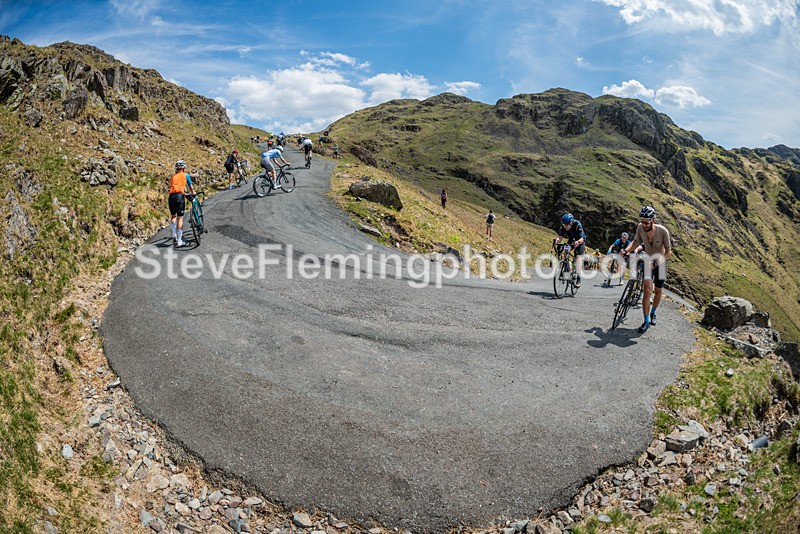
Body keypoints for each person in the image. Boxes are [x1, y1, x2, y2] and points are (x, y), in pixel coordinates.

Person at [623, 206, 672, 333]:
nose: (643, 225)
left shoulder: (663, 231)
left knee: (658, 291)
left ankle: (653, 313)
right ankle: (645, 321)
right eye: (642, 221)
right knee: (647, 290)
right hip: (648, 261)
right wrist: (626, 250)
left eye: (646, 222)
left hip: (660, 261)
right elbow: (635, 242)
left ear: (653, 220)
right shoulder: (640, 227)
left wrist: (658, 262)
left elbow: (668, 253)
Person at [168, 160, 196, 248]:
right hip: (179, 196)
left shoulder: (173, 177)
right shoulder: (185, 175)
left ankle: (173, 234)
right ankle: (179, 241)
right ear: (183, 168)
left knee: (173, 216)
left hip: (171, 197)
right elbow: (190, 187)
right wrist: (193, 193)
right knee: (180, 218)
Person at [554, 213, 586, 287]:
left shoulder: (577, 224)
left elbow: (582, 238)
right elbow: (560, 237)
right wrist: (557, 241)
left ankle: (578, 278)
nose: (565, 227)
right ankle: (566, 269)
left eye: (566, 225)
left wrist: (578, 242)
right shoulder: (563, 226)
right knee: (565, 250)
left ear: (571, 223)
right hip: (572, 240)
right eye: (564, 225)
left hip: (580, 241)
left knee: (578, 258)